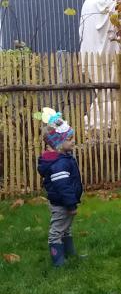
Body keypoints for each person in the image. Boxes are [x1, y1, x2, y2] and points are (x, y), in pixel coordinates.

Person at [35, 108, 83, 267]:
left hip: (63, 200)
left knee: (66, 228)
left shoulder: (63, 158)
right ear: (58, 144)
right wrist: (70, 204)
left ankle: (70, 254)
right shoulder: (59, 164)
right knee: (57, 231)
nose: (73, 141)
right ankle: (58, 262)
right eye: (69, 139)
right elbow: (63, 187)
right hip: (62, 202)